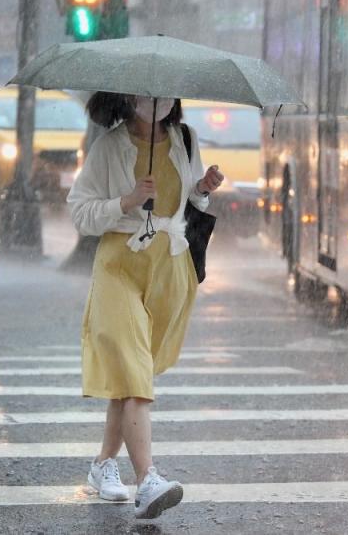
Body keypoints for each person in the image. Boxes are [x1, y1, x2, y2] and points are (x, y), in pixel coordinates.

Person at [67, 92, 223, 520]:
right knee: (135, 374)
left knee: (130, 374)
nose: (156, 102)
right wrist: (127, 201)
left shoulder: (185, 139)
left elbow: (190, 203)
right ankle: (147, 480)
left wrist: (203, 189)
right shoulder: (109, 146)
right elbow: (80, 213)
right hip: (120, 265)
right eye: (146, 95)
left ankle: (102, 465)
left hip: (169, 269)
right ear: (129, 98)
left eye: (165, 95)